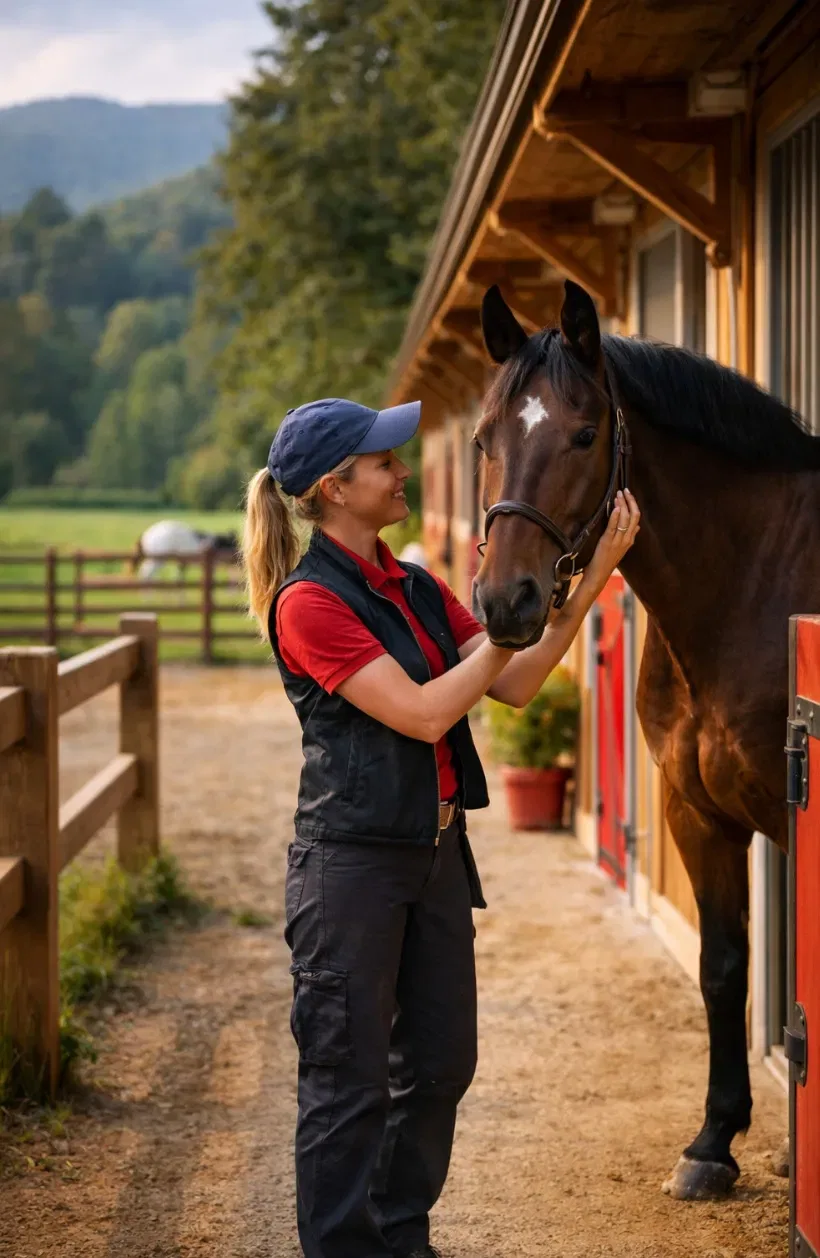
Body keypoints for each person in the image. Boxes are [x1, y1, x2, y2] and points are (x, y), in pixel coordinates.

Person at [242, 397, 640, 1258]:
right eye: (383, 461)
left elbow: (516, 680)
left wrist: (592, 574)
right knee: (347, 1086)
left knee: (439, 1067)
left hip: (432, 858)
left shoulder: (413, 586)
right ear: (335, 488)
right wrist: (503, 624)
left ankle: (400, 1236)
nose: (400, 471)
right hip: (350, 868)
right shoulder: (308, 605)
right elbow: (424, 714)